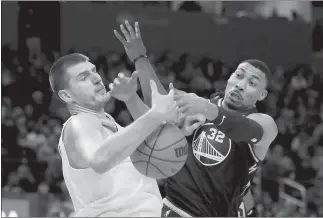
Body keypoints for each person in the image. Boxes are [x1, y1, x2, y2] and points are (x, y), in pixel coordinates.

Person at [114, 21, 278, 217]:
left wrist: (207, 109)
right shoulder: (198, 105)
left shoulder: (263, 123)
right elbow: (158, 103)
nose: (241, 85)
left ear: (262, 95)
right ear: (229, 78)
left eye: (252, 83)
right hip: (174, 207)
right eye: (238, 75)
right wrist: (140, 58)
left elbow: (243, 128)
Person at [48, 53, 181, 217]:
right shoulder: (79, 123)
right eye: (83, 77)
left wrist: (131, 98)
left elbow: (157, 138)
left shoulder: (116, 129)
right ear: (67, 96)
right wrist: (154, 115)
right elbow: (99, 159)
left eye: (94, 71)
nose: (97, 78)